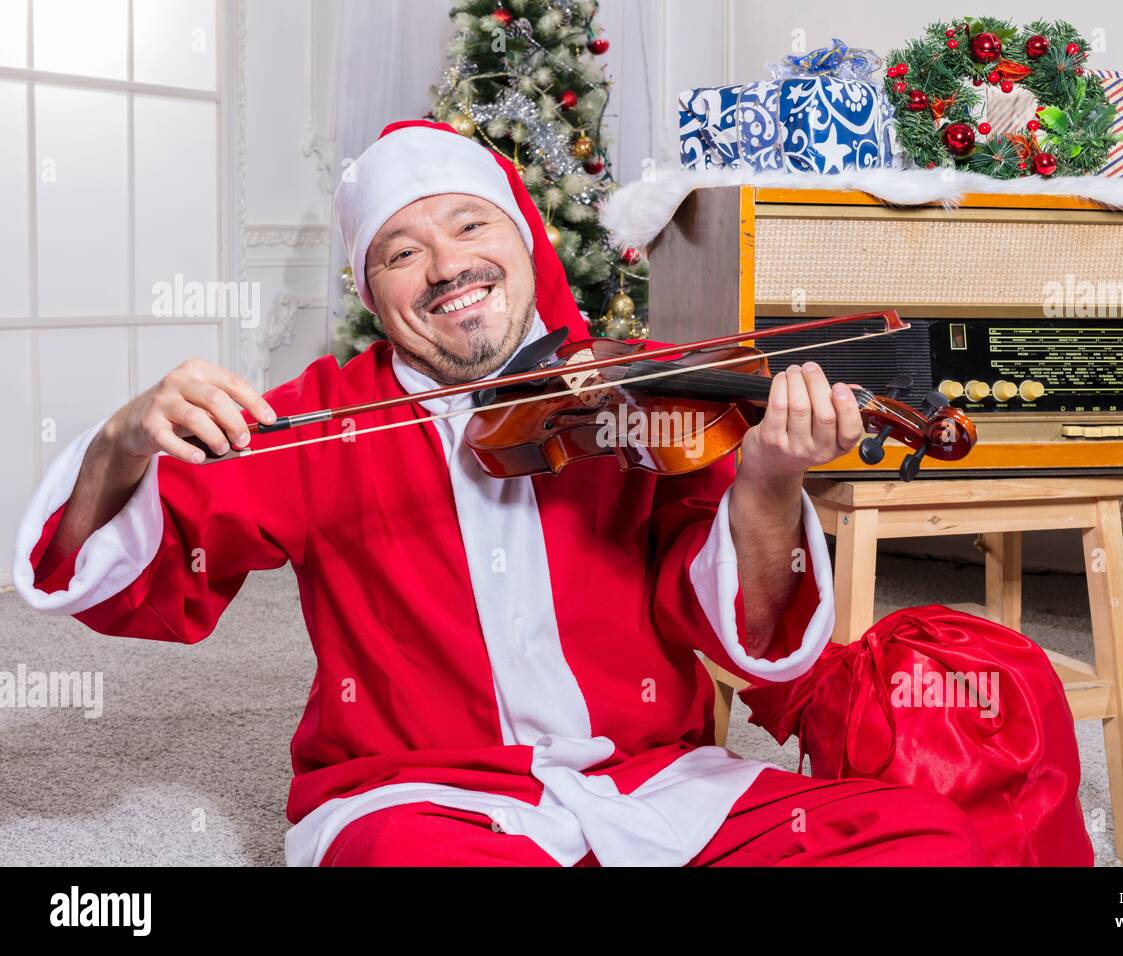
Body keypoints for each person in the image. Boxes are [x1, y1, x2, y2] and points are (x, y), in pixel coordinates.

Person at [13, 120, 982, 866]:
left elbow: (745, 623)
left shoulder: (634, 396)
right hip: (420, 799)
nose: (445, 266)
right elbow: (122, 573)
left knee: (921, 842)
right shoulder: (316, 419)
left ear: (520, 241)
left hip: (654, 782)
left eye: (469, 224)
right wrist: (118, 443)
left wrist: (769, 480)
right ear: (370, 291)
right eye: (400, 251)